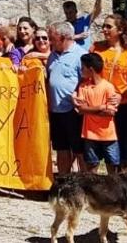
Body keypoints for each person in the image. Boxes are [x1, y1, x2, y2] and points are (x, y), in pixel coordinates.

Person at [95, 13, 127, 174]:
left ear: (120, 30)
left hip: (125, 105)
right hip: (104, 106)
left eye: (108, 26)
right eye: (103, 26)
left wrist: (121, 94)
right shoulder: (96, 48)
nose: (104, 29)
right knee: (110, 147)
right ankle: (113, 185)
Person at [46, 21, 86, 175]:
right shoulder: (52, 55)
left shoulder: (80, 55)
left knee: (79, 150)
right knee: (61, 149)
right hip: (56, 111)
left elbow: (85, 81)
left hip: (73, 111)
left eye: (52, 38)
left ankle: (84, 185)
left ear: (63, 38)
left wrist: (78, 97)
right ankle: (63, 183)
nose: (50, 42)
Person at [73, 53, 118, 173]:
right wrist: (102, 107)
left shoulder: (108, 87)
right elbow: (80, 109)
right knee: (92, 166)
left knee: (112, 166)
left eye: (83, 67)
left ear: (90, 69)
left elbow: (111, 112)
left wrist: (89, 110)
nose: (81, 70)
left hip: (108, 134)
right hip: (89, 134)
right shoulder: (83, 87)